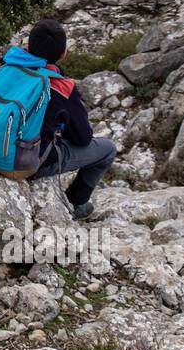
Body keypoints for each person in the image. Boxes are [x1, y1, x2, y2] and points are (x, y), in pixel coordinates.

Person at [24, 18, 116, 219]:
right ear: (63, 54)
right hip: (30, 161)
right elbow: (82, 137)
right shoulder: (61, 87)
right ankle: (77, 203)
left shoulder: (6, 70)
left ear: (28, 46)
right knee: (108, 149)